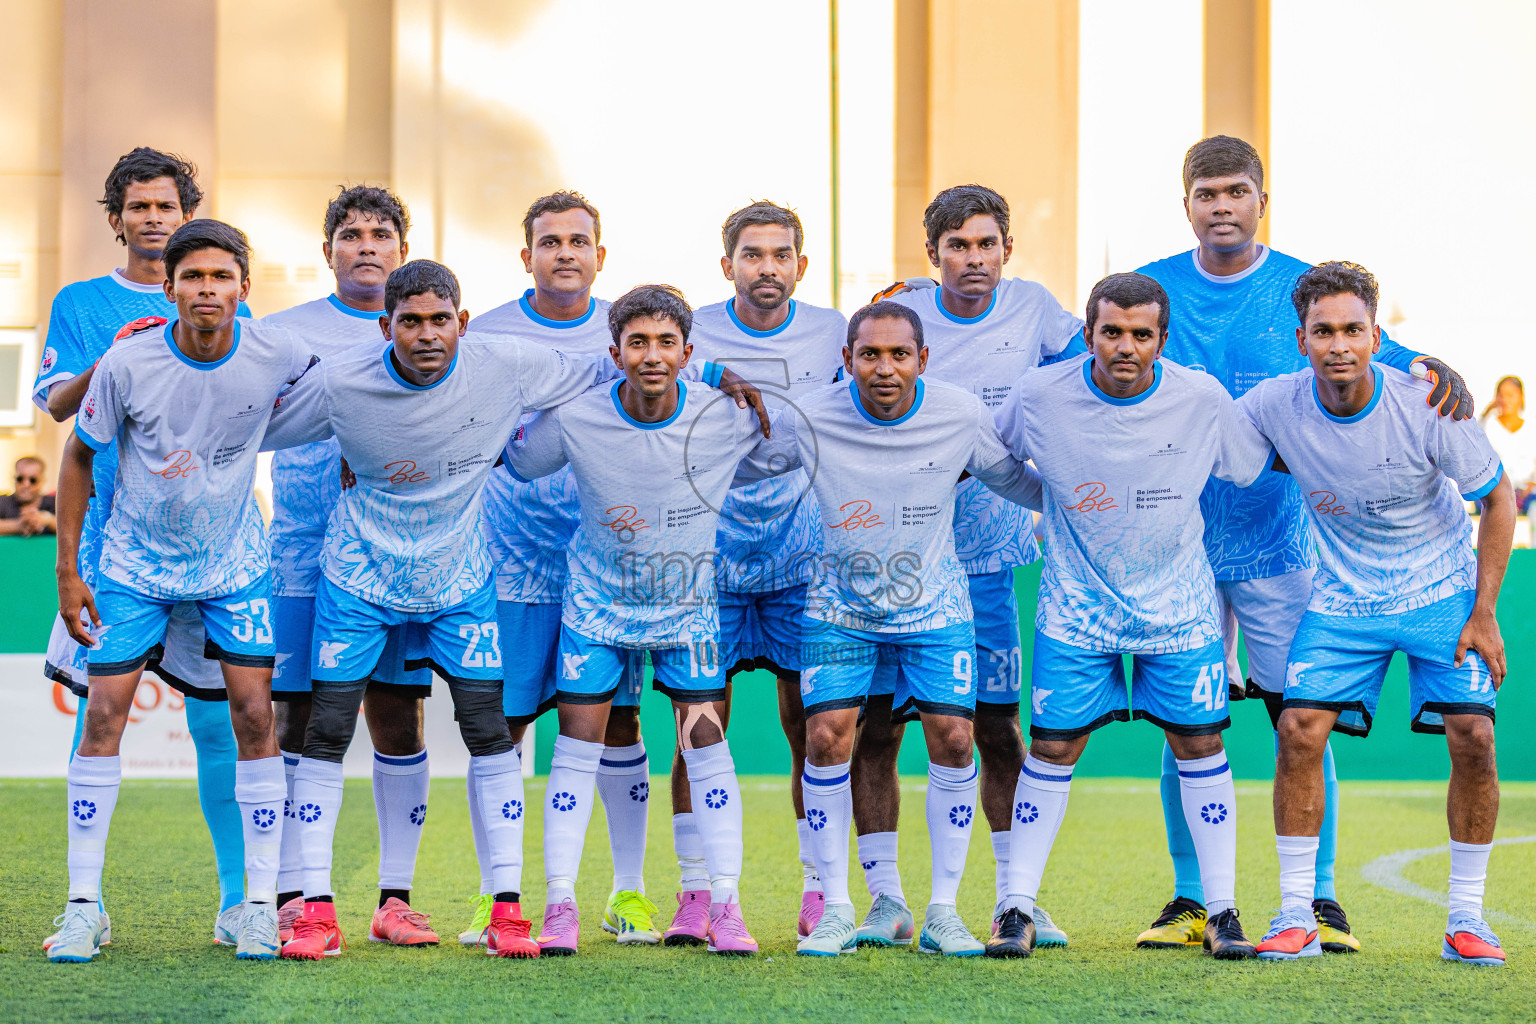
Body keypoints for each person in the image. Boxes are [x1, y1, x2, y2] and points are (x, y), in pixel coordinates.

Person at [262, 263, 763, 961]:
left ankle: (519, 909)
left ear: (462, 324)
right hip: (364, 578)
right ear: (386, 326)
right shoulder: (347, 380)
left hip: (472, 583)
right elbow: (258, 425)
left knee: (498, 733)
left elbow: (606, 364)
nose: (427, 334)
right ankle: (319, 909)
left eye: (440, 320)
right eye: (411, 321)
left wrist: (708, 373)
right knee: (330, 729)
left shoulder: (510, 365)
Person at [1134, 136, 1473, 953]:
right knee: (1187, 723)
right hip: (1177, 546)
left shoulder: (1302, 286)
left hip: (1281, 548)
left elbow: (1381, 357)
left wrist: (1438, 364)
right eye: (1207, 193)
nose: (1222, 206)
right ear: (1186, 204)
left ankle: (1318, 900)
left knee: (1302, 719)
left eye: (1237, 191)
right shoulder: (1153, 287)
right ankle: (1191, 898)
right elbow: (1077, 351)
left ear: (1262, 200)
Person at [737, 301, 1040, 958]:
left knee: (955, 739)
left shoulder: (959, 413)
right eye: (869, 354)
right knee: (826, 739)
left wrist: (1092, 501)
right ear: (847, 360)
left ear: (922, 360)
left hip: (935, 607)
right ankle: (840, 908)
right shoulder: (812, 416)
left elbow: (1012, 479)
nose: (884, 367)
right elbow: (740, 465)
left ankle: (944, 913)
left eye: (899, 354)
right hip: (840, 608)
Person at [988, 273, 1273, 961]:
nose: (1125, 346)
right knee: (1053, 750)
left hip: (1180, 610)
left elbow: (1246, 467)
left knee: (1200, 746)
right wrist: (1051, 497)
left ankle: (1223, 909)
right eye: (1111, 331)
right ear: (1088, 333)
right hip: (1075, 609)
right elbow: (997, 461)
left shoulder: (1201, 397)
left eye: (1141, 335)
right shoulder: (1040, 393)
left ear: (1162, 340)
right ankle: (1015, 907)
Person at [47, 220, 311, 963]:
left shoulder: (278, 352)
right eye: (192, 277)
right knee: (103, 716)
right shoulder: (128, 361)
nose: (207, 290)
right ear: (168, 289)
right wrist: (68, 572)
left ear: (244, 288)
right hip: (134, 569)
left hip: (234, 567)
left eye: (221, 277)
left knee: (254, 719)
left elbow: (350, 396)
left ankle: (255, 908)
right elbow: (76, 456)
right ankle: (83, 909)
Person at [1239, 262, 1514, 965]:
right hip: (1343, 597)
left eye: (1352, 330)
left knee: (1474, 738)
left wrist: (1484, 612)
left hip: (1440, 593)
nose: (1339, 345)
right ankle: (1296, 914)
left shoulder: (1427, 403)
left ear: (1375, 335)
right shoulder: (1272, 404)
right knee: (1297, 729)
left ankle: (1467, 920)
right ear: (1301, 339)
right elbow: (1209, 441)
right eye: (1323, 331)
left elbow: (1498, 498)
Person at [32, 148, 253, 951]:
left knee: (221, 727)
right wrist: (120, 353)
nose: (153, 218)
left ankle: (239, 902)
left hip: (209, 548)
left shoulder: (220, 292)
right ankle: (83, 904)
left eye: (166, 206)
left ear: (187, 213)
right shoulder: (80, 302)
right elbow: (59, 408)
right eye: (138, 206)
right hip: (112, 548)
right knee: (100, 715)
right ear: (116, 218)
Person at [508, 284, 768, 957]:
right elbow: (519, 458)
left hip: (688, 611)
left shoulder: (726, 415)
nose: (652, 355)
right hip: (596, 609)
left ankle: (725, 905)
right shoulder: (579, 417)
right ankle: (560, 906)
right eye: (637, 342)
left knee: (706, 749)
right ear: (615, 350)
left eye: (666, 342)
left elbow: (798, 440)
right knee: (575, 750)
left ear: (688, 351)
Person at [859, 184, 1082, 948]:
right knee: (879, 730)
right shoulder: (900, 314)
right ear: (933, 254)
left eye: (987, 244)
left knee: (995, 730)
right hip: (894, 563)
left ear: (1008, 249)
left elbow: (1094, 369)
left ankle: (1014, 898)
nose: (974, 259)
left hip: (987, 562)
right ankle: (886, 900)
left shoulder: (1036, 309)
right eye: (958, 245)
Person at [467, 190, 656, 946]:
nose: (566, 253)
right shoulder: (487, 334)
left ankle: (628, 893)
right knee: (502, 728)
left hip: (608, 569)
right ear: (528, 256)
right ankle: (499, 896)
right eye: (551, 242)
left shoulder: (626, 330)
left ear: (600, 256)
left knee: (620, 723)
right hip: (511, 567)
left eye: (579, 241)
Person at [261, 185, 438, 947]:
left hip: (401, 557)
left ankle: (395, 899)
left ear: (403, 249)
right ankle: (294, 895)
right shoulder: (281, 334)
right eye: (352, 234)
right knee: (298, 718)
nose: (367, 245)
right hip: (303, 557)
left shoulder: (428, 327)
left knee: (397, 716)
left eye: (381, 233)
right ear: (328, 250)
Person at [681, 200, 845, 942]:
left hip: (801, 555)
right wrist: (714, 368)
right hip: (707, 557)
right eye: (752, 255)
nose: (767, 268)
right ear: (728, 266)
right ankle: (698, 894)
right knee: (699, 724)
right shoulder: (692, 332)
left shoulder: (833, 330)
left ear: (801, 266)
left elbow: (896, 354)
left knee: (810, 729)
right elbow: (620, 349)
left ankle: (820, 892)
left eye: (781, 255)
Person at [1481, 376, 1535, 516]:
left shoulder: (1531, 428)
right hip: (1495, 491)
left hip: (1527, 494)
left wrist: (1530, 487)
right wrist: (1487, 411)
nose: (1505, 400)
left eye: (1510, 395)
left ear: (1521, 397)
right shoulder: (1488, 425)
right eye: (1501, 395)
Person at [0, 456, 57, 535]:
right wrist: (18, 525)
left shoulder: (55, 503)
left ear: (42, 481)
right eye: (20, 479)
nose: (26, 484)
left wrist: (47, 519)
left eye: (33, 480)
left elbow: (71, 529)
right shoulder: (3, 502)